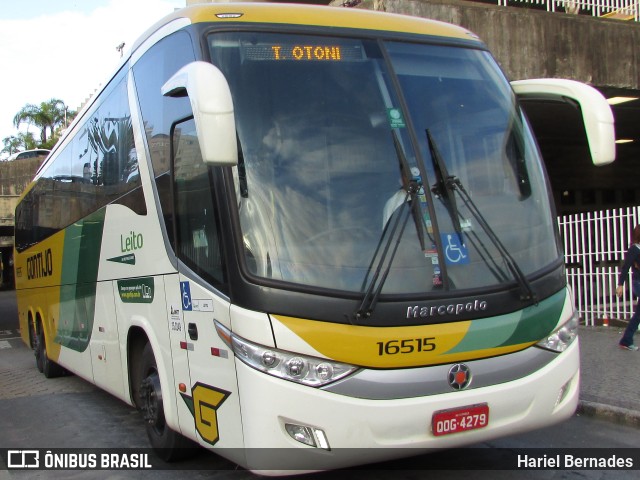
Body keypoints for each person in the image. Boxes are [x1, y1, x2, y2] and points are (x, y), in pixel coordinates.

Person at [615, 224, 640, 351]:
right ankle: (626, 340)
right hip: (639, 283)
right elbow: (626, 267)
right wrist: (620, 285)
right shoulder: (634, 249)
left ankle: (626, 340)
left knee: (638, 314)